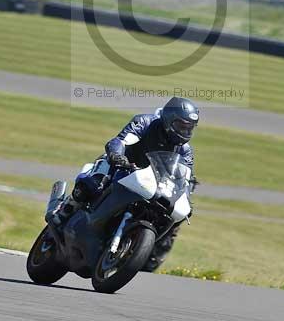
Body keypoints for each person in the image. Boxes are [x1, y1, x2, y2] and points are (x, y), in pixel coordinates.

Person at [49, 96, 199, 270]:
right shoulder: (145, 122)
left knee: (169, 213)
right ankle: (63, 212)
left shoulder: (185, 151)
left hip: (149, 184)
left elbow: (185, 178)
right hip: (121, 167)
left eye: (189, 128)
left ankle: (140, 250)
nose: (185, 132)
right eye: (181, 126)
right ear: (168, 120)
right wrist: (116, 155)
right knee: (95, 183)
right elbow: (120, 140)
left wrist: (186, 198)